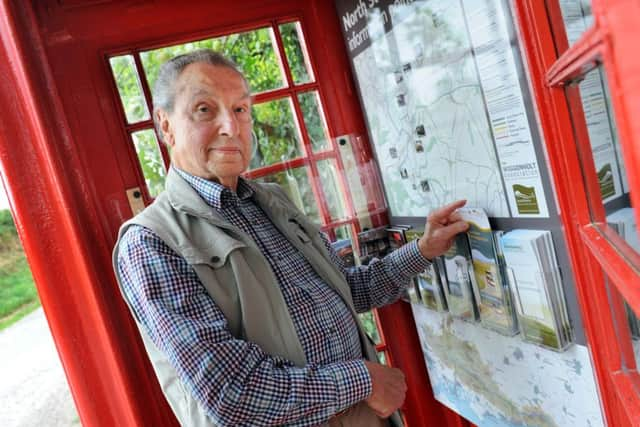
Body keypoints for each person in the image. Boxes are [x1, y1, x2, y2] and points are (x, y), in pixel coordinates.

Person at [112, 50, 469, 427]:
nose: (230, 128)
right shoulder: (150, 242)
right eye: (204, 109)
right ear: (165, 126)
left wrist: (424, 249)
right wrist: (364, 381)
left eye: (240, 110)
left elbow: (344, 289)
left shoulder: (272, 202)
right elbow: (232, 391)